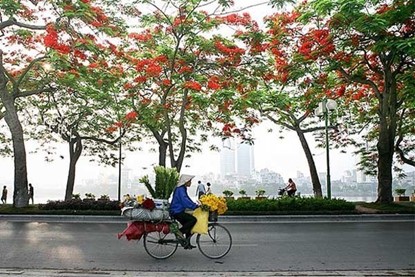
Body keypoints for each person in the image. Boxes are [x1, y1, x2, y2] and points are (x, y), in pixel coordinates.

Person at [170, 174, 199, 249]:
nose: (190, 183)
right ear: (185, 181)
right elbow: (185, 201)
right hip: (176, 211)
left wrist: (194, 204)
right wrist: (194, 206)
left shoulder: (182, 188)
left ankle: (187, 244)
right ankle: (179, 232)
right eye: (189, 181)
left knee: (189, 226)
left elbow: (187, 199)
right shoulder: (180, 189)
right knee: (193, 220)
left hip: (178, 210)